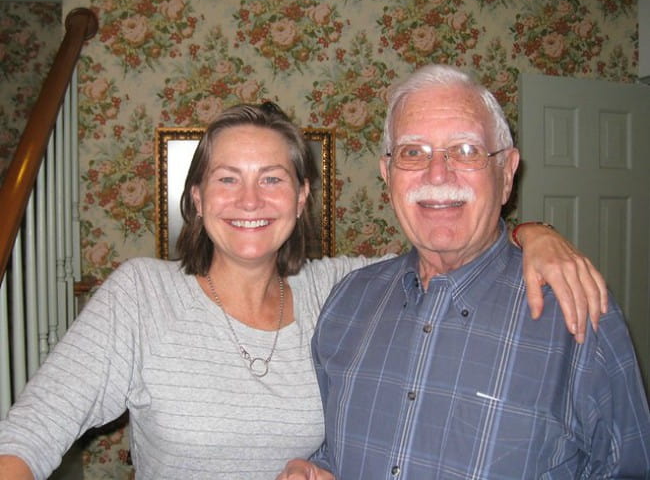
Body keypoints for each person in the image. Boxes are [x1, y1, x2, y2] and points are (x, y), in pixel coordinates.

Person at [0, 103, 608, 480]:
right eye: (227, 180)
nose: (249, 201)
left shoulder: (339, 291)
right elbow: (30, 435)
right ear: (197, 199)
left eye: (272, 179)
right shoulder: (143, 295)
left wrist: (534, 234)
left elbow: (447, 243)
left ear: (300, 199)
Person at [278, 65, 650, 480]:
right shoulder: (349, 300)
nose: (438, 174)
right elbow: (343, 443)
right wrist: (318, 468)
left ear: (506, 173)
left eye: (466, 150)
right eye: (412, 152)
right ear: (387, 175)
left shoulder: (576, 312)